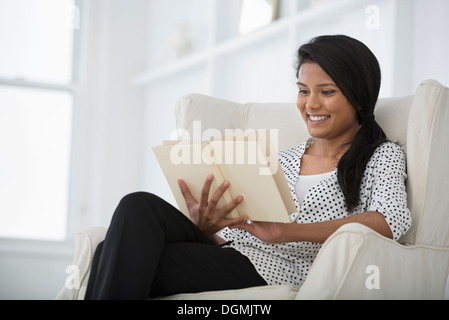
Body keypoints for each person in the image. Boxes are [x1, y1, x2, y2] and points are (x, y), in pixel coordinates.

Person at [84, 35, 412, 300]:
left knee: (112, 258)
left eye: (326, 92)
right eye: (303, 91)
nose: (310, 105)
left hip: (279, 267)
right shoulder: (281, 158)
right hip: (232, 251)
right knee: (136, 206)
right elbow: (233, 235)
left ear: (358, 98)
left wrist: (285, 233)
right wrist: (207, 228)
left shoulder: (381, 155)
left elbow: (390, 219)